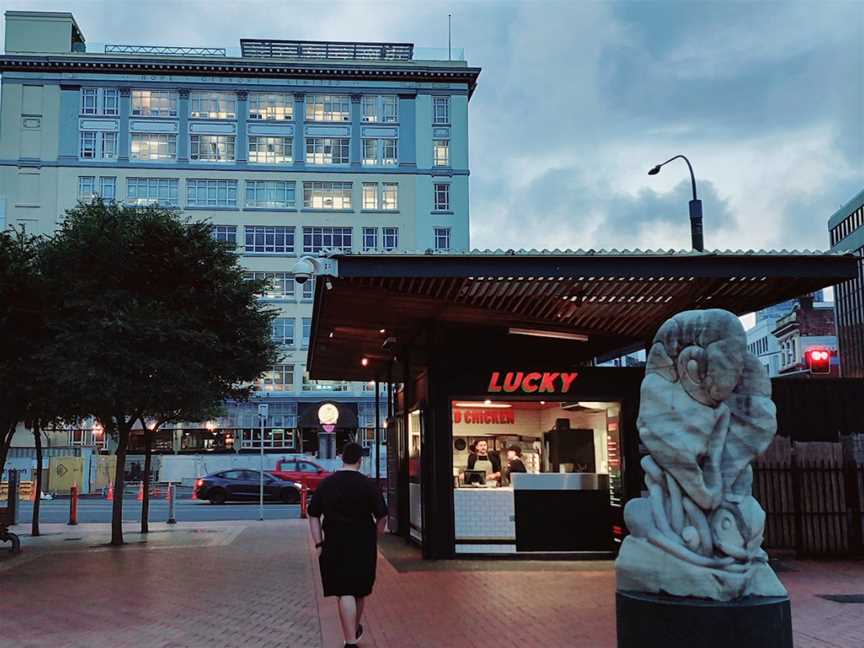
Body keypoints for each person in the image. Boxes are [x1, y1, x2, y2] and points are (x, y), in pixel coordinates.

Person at [308, 442, 387, 648]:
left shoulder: (327, 484)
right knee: (359, 590)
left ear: (341, 458)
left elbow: (313, 514)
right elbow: (382, 516)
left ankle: (350, 640)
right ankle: (353, 631)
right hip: (363, 544)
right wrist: (376, 536)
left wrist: (319, 543)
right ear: (360, 460)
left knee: (344, 591)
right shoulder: (368, 485)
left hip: (334, 543)